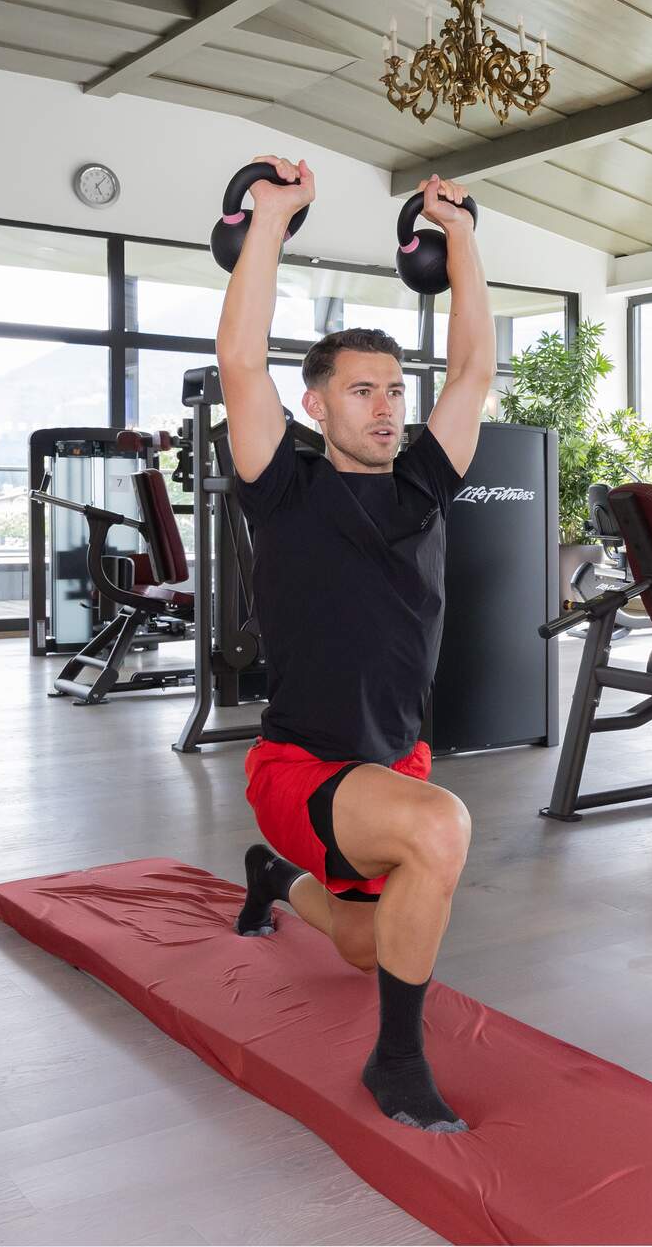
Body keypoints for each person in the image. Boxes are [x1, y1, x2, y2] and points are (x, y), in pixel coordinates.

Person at [217, 156, 493, 1135]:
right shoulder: (283, 492)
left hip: (387, 766)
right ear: (318, 407)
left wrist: (459, 240)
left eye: (392, 390)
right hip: (298, 770)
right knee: (440, 828)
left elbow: (472, 372)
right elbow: (240, 364)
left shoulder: (423, 487)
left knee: (367, 946)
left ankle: (273, 882)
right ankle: (397, 1060)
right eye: (363, 390)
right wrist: (271, 222)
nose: (387, 405)